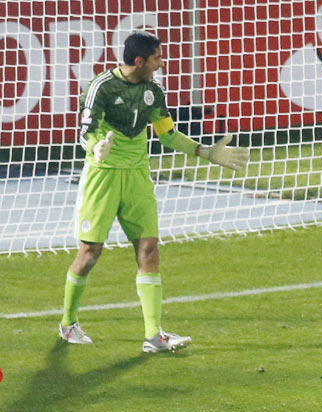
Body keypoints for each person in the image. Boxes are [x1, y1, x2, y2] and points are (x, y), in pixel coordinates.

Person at [58, 31, 249, 352]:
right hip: (102, 177)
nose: (162, 63)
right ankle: (67, 323)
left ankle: (153, 336)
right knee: (90, 254)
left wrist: (205, 152)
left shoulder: (154, 91)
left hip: (137, 178)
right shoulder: (101, 88)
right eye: (158, 58)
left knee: (149, 249)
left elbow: (168, 135)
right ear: (139, 61)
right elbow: (85, 133)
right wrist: (97, 149)